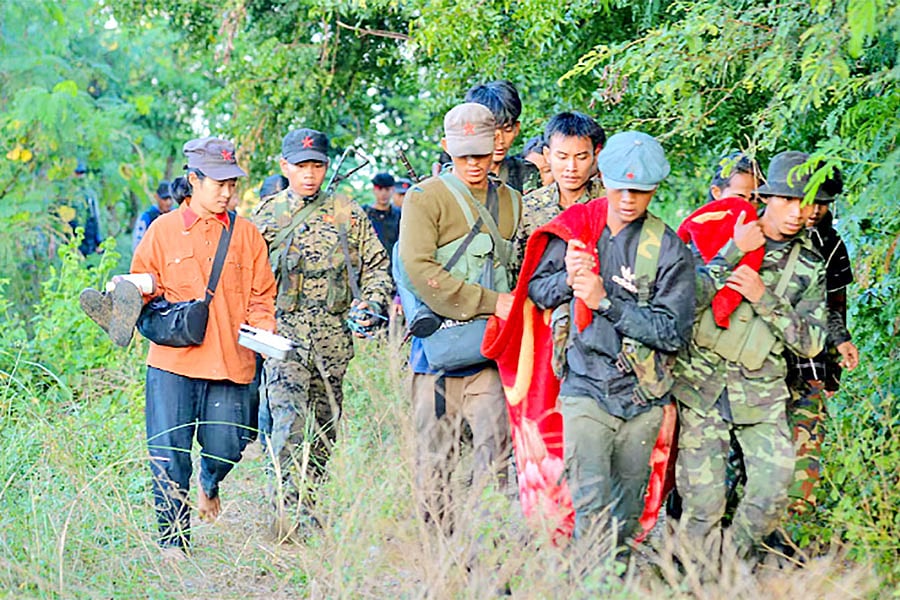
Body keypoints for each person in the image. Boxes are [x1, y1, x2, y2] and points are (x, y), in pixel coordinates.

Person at [526, 131, 695, 545]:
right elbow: (536, 290)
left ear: (654, 189)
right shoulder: (576, 229)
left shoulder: (668, 249)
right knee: (590, 503)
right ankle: (590, 576)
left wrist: (606, 303)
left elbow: (673, 333)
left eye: (640, 191)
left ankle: (615, 574)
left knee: (627, 511)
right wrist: (568, 279)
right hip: (584, 385)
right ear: (603, 178)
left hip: (641, 396)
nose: (628, 199)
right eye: (620, 188)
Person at [672, 150, 828, 562]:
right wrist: (730, 254)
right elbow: (682, 301)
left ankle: (731, 563)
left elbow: (812, 342)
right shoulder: (719, 230)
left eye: (807, 202)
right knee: (702, 502)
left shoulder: (809, 264)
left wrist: (765, 299)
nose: (797, 212)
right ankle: (693, 579)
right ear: (766, 197)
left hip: (761, 392)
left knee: (774, 488)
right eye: (788, 200)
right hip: (701, 385)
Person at [130, 137, 277, 556]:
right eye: (218, 183)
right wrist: (126, 295)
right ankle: (173, 543)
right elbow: (143, 286)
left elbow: (261, 297)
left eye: (232, 184)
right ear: (194, 180)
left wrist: (265, 332)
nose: (227, 192)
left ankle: (209, 481)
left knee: (228, 446)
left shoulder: (247, 235)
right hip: (172, 364)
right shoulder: (162, 231)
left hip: (230, 362)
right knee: (168, 454)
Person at [252, 128, 391, 543]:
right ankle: (285, 517)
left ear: (327, 167)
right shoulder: (266, 215)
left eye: (316, 166)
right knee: (288, 426)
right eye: (300, 166)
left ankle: (309, 506)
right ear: (285, 166)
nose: (309, 175)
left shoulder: (348, 213)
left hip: (333, 345)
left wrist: (371, 303)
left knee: (324, 433)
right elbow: (244, 276)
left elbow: (377, 268)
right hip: (284, 341)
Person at [398, 102, 520, 529]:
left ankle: (489, 544)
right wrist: (491, 301)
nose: (473, 163)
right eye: (463, 154)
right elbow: (418, 268)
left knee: (495, 456)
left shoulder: (512, 201)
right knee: (434, 463)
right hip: (436, 355)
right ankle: (438, 549)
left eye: (481, 153)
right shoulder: (424, 198)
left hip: (489, 353)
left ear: (498, 144)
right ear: (446, 146)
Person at [784, 167, 859, 514]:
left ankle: (796, 520)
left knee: (807, 434)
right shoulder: (766, 235)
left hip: (812, 356)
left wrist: (835, 360)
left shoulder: (832, 244)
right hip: (763, 358)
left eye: (823, 203)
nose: (814, 211)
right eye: (808, 201)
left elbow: (836, 304)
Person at [513, 112, 606, 274]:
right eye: (562, 157)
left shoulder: (608, 203)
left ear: (595, 155)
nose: (571, 167)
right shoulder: (529, 207)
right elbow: (516, 269)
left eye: (581, 157)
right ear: (547, 155)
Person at [464, 80, 541, 194]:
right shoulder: (456, 175)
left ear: (516, 128)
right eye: (491, 131)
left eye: (507, 130)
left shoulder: (524, 172)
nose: (500, 141)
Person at [363, 172, 402, 260]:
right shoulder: (363, 213)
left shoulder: (400, 215)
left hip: (392, 263)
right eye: (380, 189)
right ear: (374, 190)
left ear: (393, 190)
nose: (383, 193)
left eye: (387, 189)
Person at [132, 181, 174, 250]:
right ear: (156, 197)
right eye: (165, 199)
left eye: (171, 198)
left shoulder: (176, 216)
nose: (168, 202)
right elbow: (138, 243)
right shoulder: (146, 217)